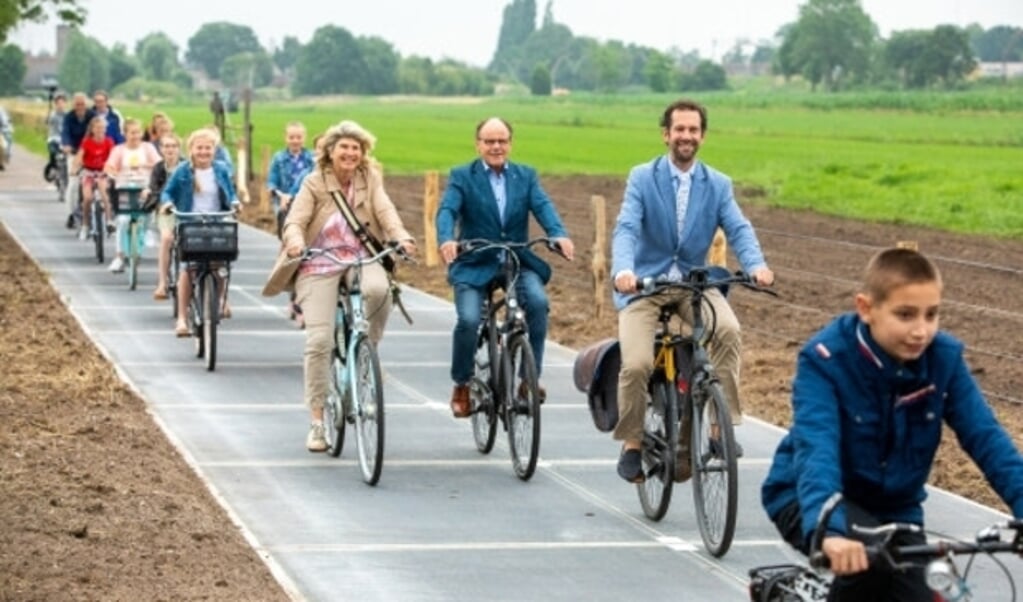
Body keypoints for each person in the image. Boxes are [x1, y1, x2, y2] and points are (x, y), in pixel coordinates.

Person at [761, 247, 1023, 601]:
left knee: (924, 592)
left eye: (932, 315)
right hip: (811, 499)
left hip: (896, 512)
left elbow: (986, 437)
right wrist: (831, 531)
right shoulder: (825, 361)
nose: (921, 330)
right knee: (867, 567)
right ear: (866, 308)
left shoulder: (943, 359)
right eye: (905, 315)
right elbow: (815, 447)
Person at [610, 98, 774, 483]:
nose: (686, 136)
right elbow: (627, 228)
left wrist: (756, 266)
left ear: (702, 135)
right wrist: (624, 270)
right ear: (666, 134)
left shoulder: (717, 184)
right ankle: (632, 443)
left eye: (693, 130)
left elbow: (739, 228)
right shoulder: (642, 177)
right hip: (645, 286)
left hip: (691, 285)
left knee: (729, 330)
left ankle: (720, 431)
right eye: (679, 129)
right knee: (635, 364)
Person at [272, 120, 415, 452]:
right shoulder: (313, 182)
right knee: (320, 340)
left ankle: (367, 350)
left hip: (361, 257)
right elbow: (295, 221)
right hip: (319, 261)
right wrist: (294, 242)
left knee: (379, 291)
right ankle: (318, 422)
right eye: (344, 147)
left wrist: (401, 236)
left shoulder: (369, 180)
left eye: (356, 147)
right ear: (330, 151)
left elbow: (386, 211)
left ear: (363, 153)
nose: (350, 153)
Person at [435, 117, 575, 419]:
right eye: (489, 141)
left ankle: (529, 379)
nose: (496, 146)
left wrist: (557, 233)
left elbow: (543, 206)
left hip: (516, 260)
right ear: (478, 144)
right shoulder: (462, 176)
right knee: (469, 321)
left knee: (537, 304)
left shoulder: (525, 176)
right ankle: (461, 383)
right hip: (475, 261)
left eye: (501, 141)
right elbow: (447, 209)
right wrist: (447, 239)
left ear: (510, 143)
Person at [159, 127, 240, 337]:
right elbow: (168, 191)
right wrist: (167, 203)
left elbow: (230, 193)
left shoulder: (221, 169)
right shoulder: (183, 170)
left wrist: (235, 203)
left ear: (214, 150)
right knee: (188, 268)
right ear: (191, 149)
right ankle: (182, 319)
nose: (204, 152)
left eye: (208, 148)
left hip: (216, 221)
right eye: (200, 148)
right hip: (190, 222)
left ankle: (221, 299)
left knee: (220, 263)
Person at [103, 118, 161, 273]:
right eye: (132, 133)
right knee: (122, 220)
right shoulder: (119, 150)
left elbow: (158, 164)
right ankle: (120, 256)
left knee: (146, 215)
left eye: (138, 132)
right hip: (125, 187)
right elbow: (109, 165)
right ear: (125, 134)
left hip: (145, 187)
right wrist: (113, 171)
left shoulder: (148, 148)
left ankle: (144, 236)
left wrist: (144, 166)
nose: (135, 136)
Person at [146, 134, 183, 301]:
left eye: (174, 146)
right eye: (167, 146)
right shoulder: (158, 169)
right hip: (165, 210)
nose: (170, 150)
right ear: (161, 149)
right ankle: (162, 281)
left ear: (179, 149)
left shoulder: (186, 166)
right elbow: (154, 190)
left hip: (184, 209)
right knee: (167, 238)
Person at [267, 121, 315, 239]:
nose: (295, 141)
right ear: (286, 138)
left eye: (298, 137)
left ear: (304, 138)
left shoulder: (311, 158)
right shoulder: (278, 158)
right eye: (291, 137)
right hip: (284, 202)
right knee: (287, 235)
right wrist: (282, 195)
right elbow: (272, 182)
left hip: (306, 201)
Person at [75, 115, 116, 241]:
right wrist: (75, 168)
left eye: (102, 128)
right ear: (92, 129)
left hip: (102, 172)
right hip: (88, 172)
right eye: (97, 128)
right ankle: (85, 225)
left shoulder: (109, 141)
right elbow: (79, 157)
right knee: (87, 198)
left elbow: (113, 158)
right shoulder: (87, 142)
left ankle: (109, 221)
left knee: (105, 195)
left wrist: (113, 170)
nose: (100, 131)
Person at [61, 92, 94, 229]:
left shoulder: (92, 116)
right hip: (75, 153)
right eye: (77, 104)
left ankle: (96, 214)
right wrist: (67, 145)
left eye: (82, 104)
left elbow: (97, 130)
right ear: (73, 105)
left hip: (91, 154)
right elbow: (65, 132)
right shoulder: (68, 117)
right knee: (73, 185)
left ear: (86, 104)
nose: (79, 107)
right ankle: (71, 215)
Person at [44, 92, 67, 181]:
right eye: (58, 103)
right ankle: (53, 168)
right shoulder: (53, 114)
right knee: (53, 153)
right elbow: (47, 121)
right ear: (56, 104)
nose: (60, 105)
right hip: (54, 138)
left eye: (62, 103)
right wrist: (50, 111)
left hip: (64, 140)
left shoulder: (67, 115)